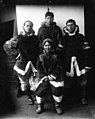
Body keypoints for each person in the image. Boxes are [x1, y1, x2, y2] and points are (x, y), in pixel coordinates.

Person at [3, 20, 39, 105]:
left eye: (30, 26)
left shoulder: (36, 38)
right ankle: (29, 97)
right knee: (25, 82)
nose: (29, 27)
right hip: (23, 63)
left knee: (34, 81)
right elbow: (6, 46)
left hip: (34, 62)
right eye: (27, 26)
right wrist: (16, 55)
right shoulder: (18, 38)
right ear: (24, 27)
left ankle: (35, 95)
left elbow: (40, 48)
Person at [62, 19, 91, 105]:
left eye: (72, 25)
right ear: (66, 27)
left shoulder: (81, 37)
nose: (70, 27)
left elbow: (86, 51)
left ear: (75, 26)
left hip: (80, 62)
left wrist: (87, 64)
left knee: (82, 81)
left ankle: (83, 97)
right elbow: (60, 51)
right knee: (68, 81)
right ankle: (69, 98)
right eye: (68, 25)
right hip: (68, 63)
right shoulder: (64, 38)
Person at [35, 38, 64, 115]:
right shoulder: (40, 57)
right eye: (46, 45)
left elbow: (59, 67)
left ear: (52, 47)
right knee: (41, 89)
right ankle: (40, 106)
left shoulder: (56, 56)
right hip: (44, 77)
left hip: (54, 77)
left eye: (49, 45)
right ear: (43, 47)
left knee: (57, 89)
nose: (47, 47)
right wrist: (44, 76)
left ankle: (57, 106)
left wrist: (53, 76)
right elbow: (39, 68)